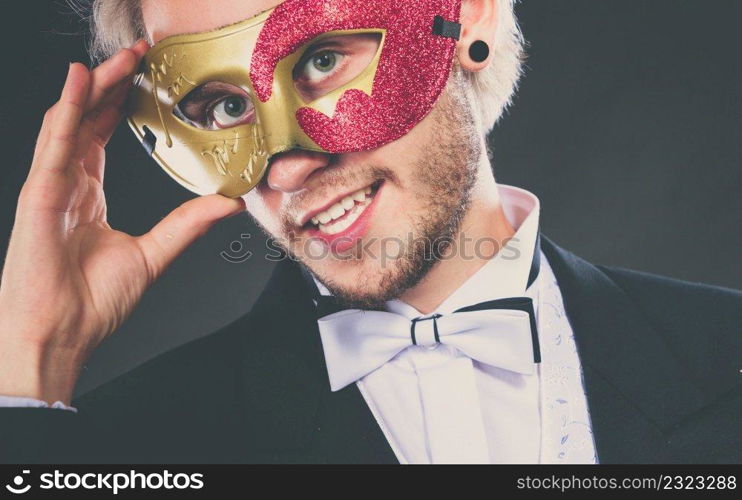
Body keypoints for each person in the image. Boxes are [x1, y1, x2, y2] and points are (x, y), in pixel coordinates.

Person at [0, 0, 739, 464]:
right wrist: (31, 370)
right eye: (223, 109)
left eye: (320, 61)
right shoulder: (132, 445)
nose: (286, 169)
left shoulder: (724, 353)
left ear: (467, 14)